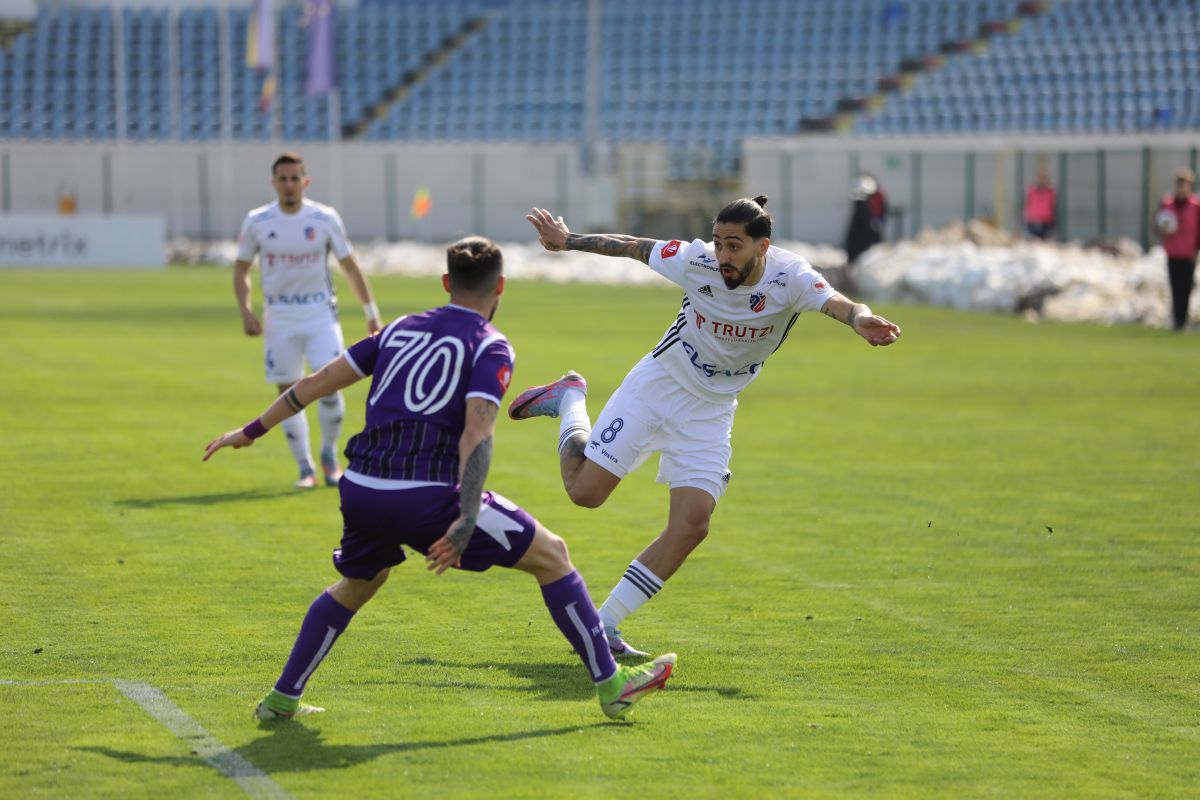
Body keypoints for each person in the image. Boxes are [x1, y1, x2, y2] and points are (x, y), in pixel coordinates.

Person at [204, 236, 676, 721]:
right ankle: (612, 685)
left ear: (447, 282)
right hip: (426, 496)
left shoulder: (398, 329)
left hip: (362, 487)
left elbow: (317, 381)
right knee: (553, 556)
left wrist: (250, 431)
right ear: (501, 288)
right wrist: (466, 520)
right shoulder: (491, 345)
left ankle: (283, 697)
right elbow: (477, 431)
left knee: (359, 582)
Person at [515, 196, 901, 657]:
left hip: (712, 410)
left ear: (763, 246)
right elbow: (634, 246)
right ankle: (570, 399)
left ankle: (604, 628)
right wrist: (569, 241)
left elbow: (838, 303)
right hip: (658, 387)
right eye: (718, 243)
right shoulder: (696, 261)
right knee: (585, 494)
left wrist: (861, 320)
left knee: (692, 525)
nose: (722, 257)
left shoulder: (791, 276)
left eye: (734, 246)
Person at [233, 152, 382, 489]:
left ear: (305, 181)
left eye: (294, 178)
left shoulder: (324, 218)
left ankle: (329, 456)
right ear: (274, 183)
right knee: (287, 391)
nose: (289, 185)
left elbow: (349, 266)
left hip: (319, 314)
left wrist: (370, 311)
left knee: (329, 385)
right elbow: (241, 269)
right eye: (282, 179)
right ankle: (305, 467)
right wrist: (245, 310)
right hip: (279, 317)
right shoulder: (257, 221)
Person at [1155, 168, 1200, 332]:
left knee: (1187, 287)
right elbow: (1156, 225)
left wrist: (1197, 250)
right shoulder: (1166, 203)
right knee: (1175, 287)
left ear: (1190, 185)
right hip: (1173, 252)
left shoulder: (1196, 205)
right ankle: (1176, 320)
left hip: (1189, 254)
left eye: (1185, 183)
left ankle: (1183, 319)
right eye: (1179, 183)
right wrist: (1163, 230)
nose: (1182, 186)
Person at [843, 174, 887, 266]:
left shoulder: (877, 195)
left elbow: (882, 210)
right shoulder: (862, 199)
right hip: (862, 232)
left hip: (869, 230)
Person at [1024, 169, 1056, 241]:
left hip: (1046, 222)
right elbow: (1027, 204)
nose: (1042, 180)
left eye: (1044, 178)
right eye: (1041, 178)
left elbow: (1053, 206)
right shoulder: (1031, 191)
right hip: (1032, 221)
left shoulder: (1051, 192)